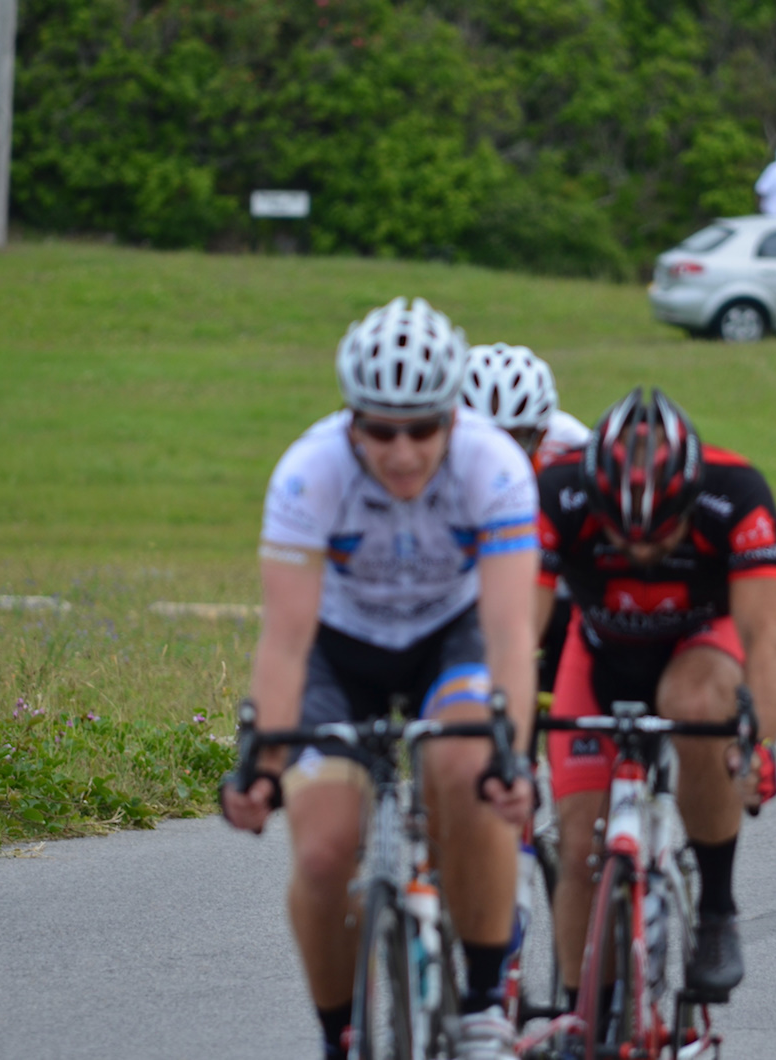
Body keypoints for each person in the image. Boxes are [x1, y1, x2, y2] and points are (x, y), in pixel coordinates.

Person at [220, 297, 539, 1060]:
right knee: (325, 852)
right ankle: (341, 1036)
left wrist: (512, 757)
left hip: (448, 640)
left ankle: (485, 1003)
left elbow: (507, 632)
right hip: (341, 651)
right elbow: (288, 640)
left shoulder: (494, 467)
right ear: (350, 419)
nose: (401, 452)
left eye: (422, 428)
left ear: (452, 420)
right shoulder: (308, 473)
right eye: (379, 429)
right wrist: (261, 763)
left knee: (467, 769)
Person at [535, 387, 776, 1021]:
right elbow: (514, 634)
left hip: (698, 646)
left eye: (661, 531)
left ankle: (716, 910)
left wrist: (760, 748)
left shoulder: (738, 494)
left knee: (696, 701)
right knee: (576, 846)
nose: (642, 551)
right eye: (621, 533)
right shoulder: (554, 492)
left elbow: (767, 640)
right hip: (597, 653)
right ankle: (579, 1017)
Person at [460, 342, 591, 694]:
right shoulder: (433, 451)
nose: (500, 452)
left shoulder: (575, 446)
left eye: (518, 438)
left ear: (542, 432)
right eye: (485, 438)